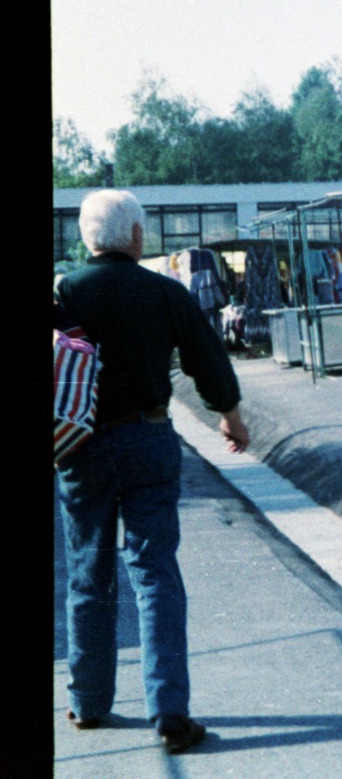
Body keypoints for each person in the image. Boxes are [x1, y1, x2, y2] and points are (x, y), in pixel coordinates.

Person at [54, 190, 249, 755]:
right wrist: (229, 415)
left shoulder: (64, 292)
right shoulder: (164, 291)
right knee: (154, 570)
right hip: (148, 436)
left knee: (89, 574)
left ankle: (88, 704)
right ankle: (168, 711)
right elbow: (205, 358)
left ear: (88, 238)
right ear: (136, 235)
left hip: (81, 444)